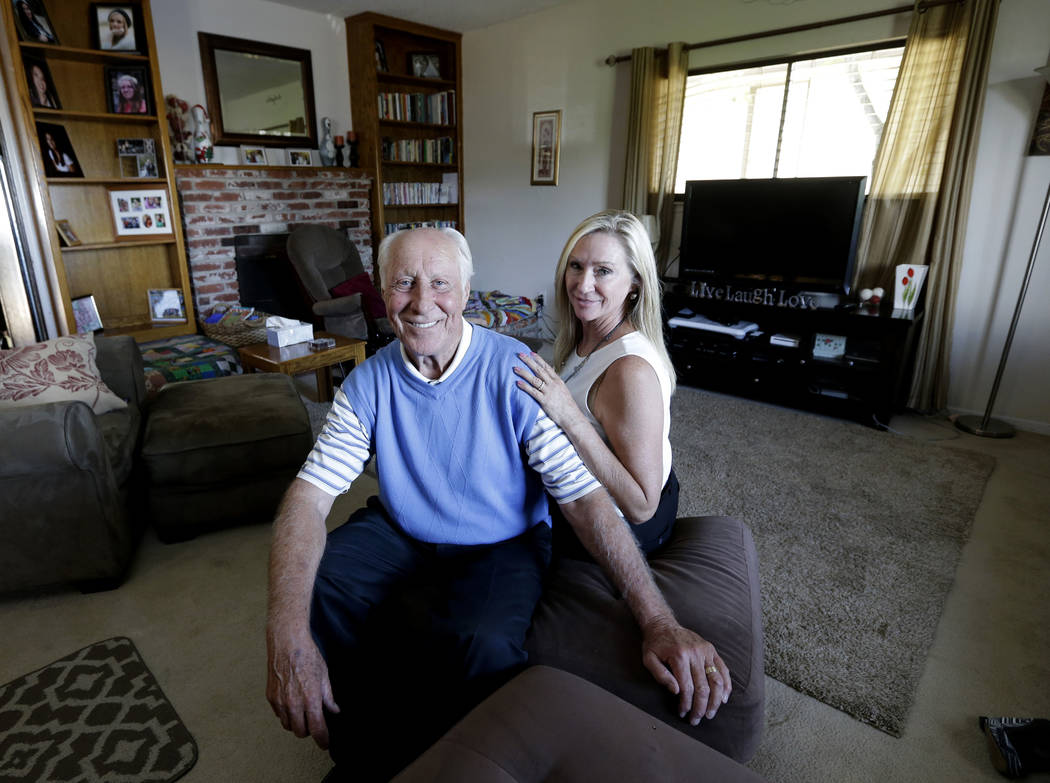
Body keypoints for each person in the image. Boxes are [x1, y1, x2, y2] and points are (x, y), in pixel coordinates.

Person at [266, 227, 731, 781]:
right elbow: (308, 496)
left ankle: (463, 764)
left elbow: (584, 501)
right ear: (383, 295)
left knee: (481, 643)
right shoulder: (367, 381)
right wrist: (286, 629)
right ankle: (358, 750)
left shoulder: (514, 369)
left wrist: (658, 620)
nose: (420, 302)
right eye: (404, 284)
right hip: (401, 528)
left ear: (466, 293)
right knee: (316, 584)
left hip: (503, 539)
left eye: (440, 283)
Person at [515, 210, 678, 557]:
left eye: (603, 271)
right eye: (576, 266)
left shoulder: (630, 371)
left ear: (635, 283)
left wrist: (568, 415)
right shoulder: (586, 338)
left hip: (619, 530)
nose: (582, 284)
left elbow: (642, 506)